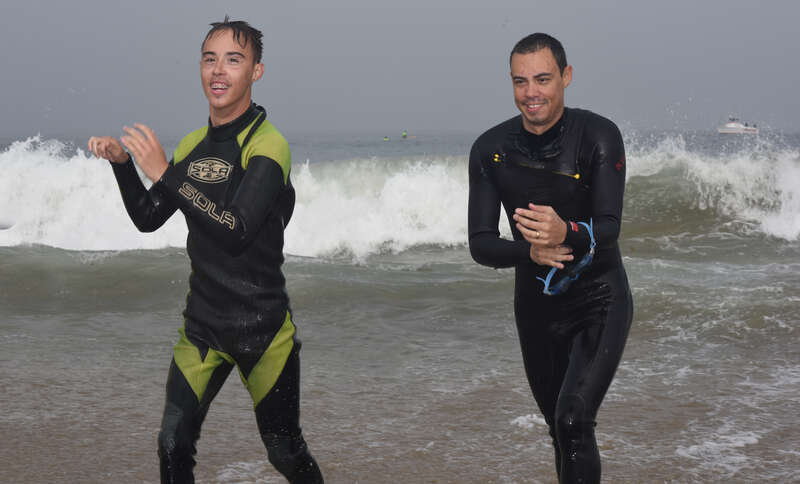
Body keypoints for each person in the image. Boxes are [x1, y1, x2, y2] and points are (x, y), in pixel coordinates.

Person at [88, 17, 323, 483]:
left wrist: (167, 174)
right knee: (173, 445)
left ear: (256, 71)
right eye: (210, 59)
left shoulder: (268, 145)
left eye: (234, 60)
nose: (219, 71)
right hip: (203, 328)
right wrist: (123, 166)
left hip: (262, 331)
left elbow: (235, 230)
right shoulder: (194, 145)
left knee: (284, 453)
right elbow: (148, 217)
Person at [467, 33, 633, 483]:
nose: (531, 93)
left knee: (574, 420)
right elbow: (480, 243)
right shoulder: (491, 149)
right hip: (538, 310)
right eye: (520, 82)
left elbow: (610, 226)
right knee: (560, 431)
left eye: (542, 79)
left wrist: (567, 232)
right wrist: (531, 251)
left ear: (566, 77)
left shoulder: (598, 136)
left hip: (600, 298)